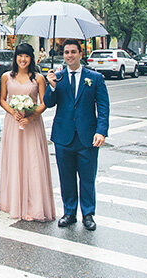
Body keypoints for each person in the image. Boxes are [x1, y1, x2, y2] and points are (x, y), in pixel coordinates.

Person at [44, 39, 109, 231]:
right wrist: (52, 86)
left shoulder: (95, 78)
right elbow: (49, 103)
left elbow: (103, 107)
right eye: (66, 52)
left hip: (87, 136)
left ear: (81, 54)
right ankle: (69, 212)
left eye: (73, 52)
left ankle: (88, 214)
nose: (69, 55)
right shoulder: (58, 77)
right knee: (66, 177)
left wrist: (101, 131)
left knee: (87, 178)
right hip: (63, 136)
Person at [0, 43, 55, 221]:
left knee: (33, 162)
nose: (23, 59)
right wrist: (13, 112)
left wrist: (30, 116)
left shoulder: (38, 78)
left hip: (32, 124)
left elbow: (44, 102)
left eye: (27, 56)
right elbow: (2, 99)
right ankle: (13, 202)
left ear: (31, 58)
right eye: (20, 56)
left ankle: (34, 205)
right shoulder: (7, 77)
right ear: (15, 58)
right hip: (13, 123)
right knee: (14, 160)